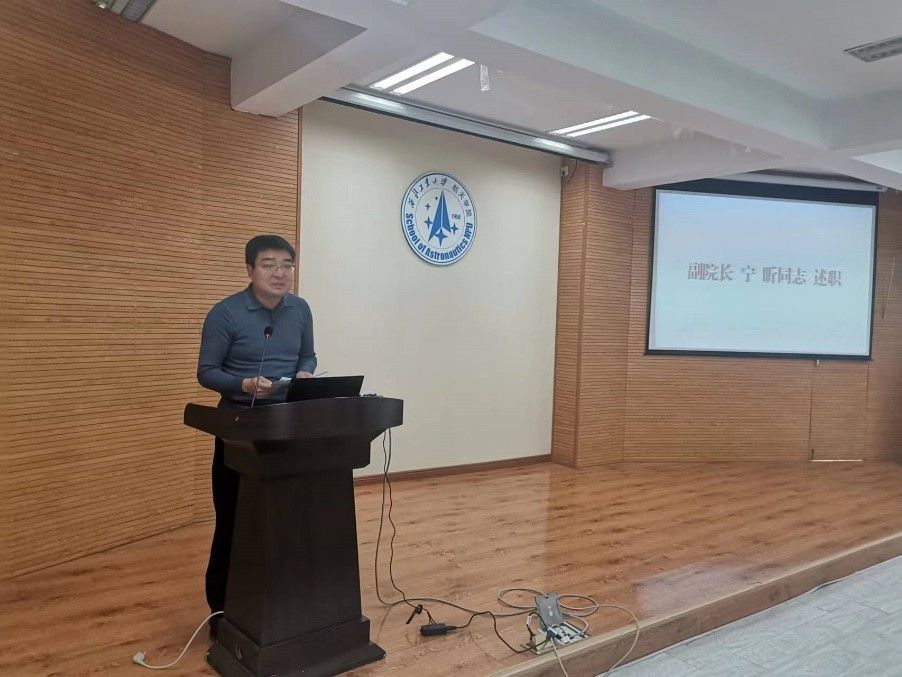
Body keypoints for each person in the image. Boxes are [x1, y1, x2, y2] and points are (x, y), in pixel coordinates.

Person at [196, 234, 316, 637]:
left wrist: (306, 372)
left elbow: (307, 354)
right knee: (234, 519)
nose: (280, 273)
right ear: (250, 270)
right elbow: (206, 372)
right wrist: (244, 384)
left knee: (287, 519)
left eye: (287, 265)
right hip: (239, 428)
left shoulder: (300, 309)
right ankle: (221, 612)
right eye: (269, 265)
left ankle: (284, 601)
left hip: (288, 424)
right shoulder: (225, 313)